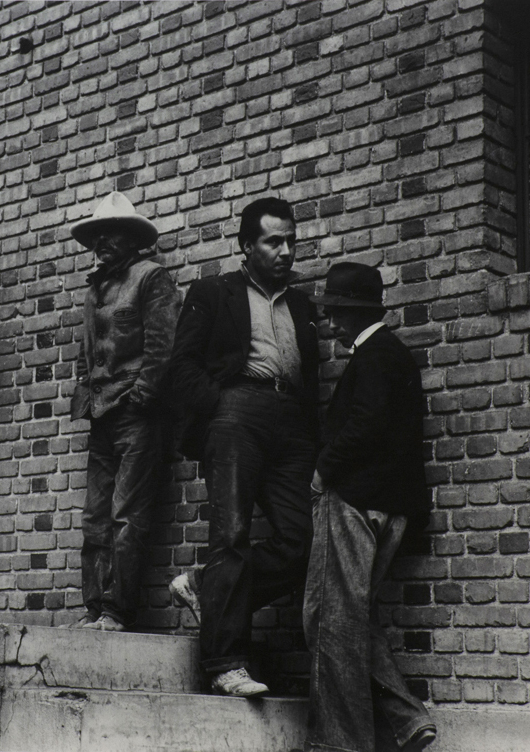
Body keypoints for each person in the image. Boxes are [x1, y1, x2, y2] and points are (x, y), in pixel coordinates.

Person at [170, 197, 318, 696]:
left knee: (305, 541)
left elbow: (313, 377)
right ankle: (226, 664)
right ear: (246, 245)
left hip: (292, 423)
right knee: (230, 535)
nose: (286, 251)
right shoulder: (215, 292)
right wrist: (218, 408)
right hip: (237, 415)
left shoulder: (301, 304)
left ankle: (204, 587)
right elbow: (182, 363)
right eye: (274, 241)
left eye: (291, 241)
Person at [303, 262, 436, 752]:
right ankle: (406, 719)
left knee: (327, 620)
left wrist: (323, 471)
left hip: (356, 503)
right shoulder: (393, 355)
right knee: (348, 616)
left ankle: (341, 745)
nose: (331, 324)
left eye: (338, 314)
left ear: (358, 314)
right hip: (392, 508)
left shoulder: (375, 355)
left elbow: (366, 423)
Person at [66, 191, 180, 632]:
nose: (103, 242)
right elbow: (86, 352)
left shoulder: (152, 278)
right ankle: (93, 608)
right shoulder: (95, 287)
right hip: (101, 416)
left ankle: (116, 611)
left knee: (126, 515)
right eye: (97, 234)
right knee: (95, 517)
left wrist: (141, 397)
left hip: (136, 416)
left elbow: (162, 348)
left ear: (134, 239)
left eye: (113, 233)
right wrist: (88, 395)